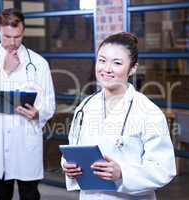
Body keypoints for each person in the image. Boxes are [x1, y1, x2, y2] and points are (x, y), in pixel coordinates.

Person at [61, 32, 176, 200]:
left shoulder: (148, 112)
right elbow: (73, 149)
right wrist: (67, 165)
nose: (106, 69)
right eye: (102, 60)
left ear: (133, 68)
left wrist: (122, 173)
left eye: (117, 63)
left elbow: (163, 169)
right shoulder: (85, 107)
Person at [0, 8, 55, 200]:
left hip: (26, 141)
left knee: (30, 196)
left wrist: (38, 113)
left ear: (23, 32)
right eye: (7, 36)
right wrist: (4, 72)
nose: (12, 43)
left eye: (17, 37)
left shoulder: (38, 63)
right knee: (1, 196)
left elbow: (49, 103)